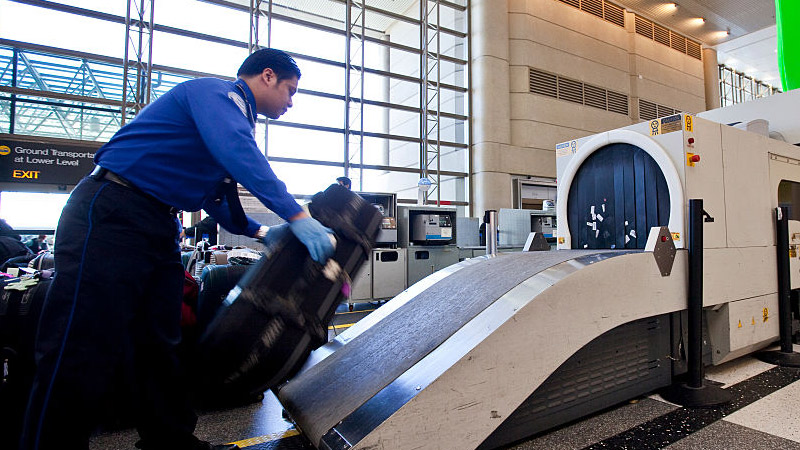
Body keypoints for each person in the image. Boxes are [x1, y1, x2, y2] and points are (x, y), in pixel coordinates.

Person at [21, 48, 335, 450]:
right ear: (268, 76)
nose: (291, 102)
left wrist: (259, 233)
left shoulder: (232, 120)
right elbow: (239, 154)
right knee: (80, 341)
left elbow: (215, 196)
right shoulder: (215, 96)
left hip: (156, 222)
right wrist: (296, 216)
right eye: (290, 91)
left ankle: (168, 441)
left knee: (159, 341)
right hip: (112, 211)